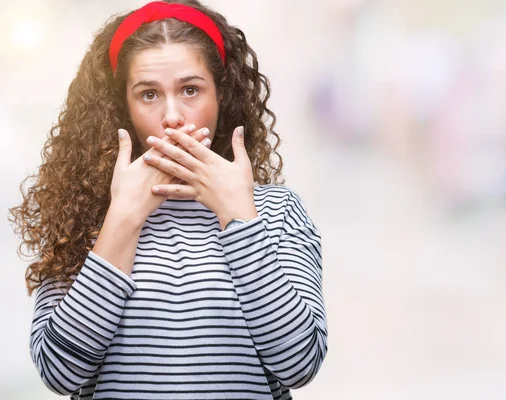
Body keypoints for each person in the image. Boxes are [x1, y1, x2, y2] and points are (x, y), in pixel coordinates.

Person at [8, 1, 327, 398]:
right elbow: (60, 374)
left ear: (221, 95)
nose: (172, 116)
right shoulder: (84, 213)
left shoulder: (278, 211)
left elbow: (299, 364)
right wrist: (124, 216)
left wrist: (239, 217)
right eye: (149, 95)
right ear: (121, 106)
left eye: (190, 89)